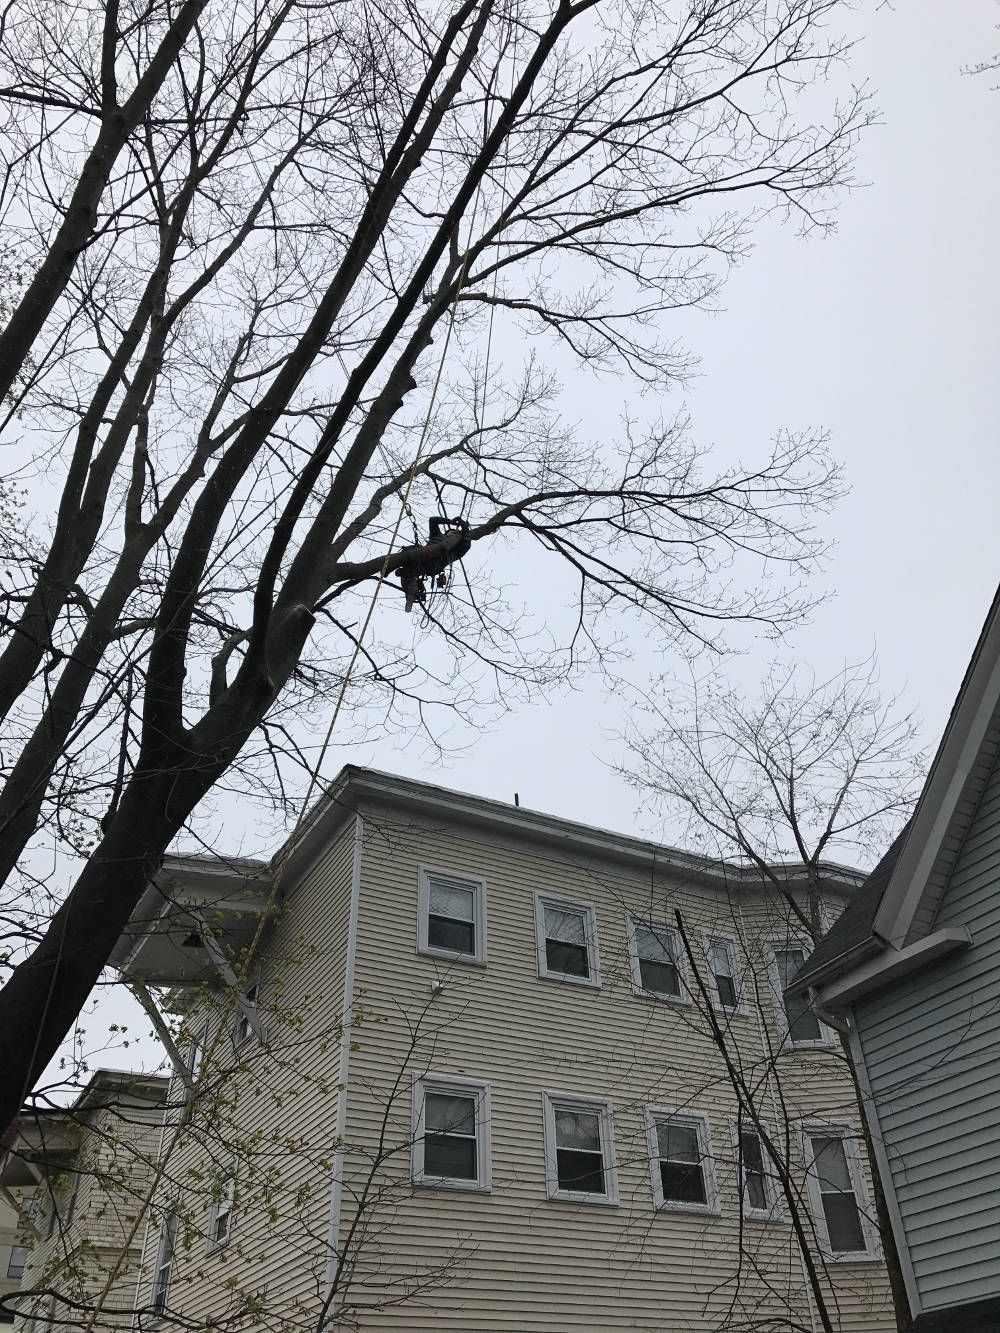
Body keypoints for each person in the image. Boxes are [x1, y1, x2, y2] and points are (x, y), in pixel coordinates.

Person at [397, 515, 472, 612]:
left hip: (435, 564)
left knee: (414, 569)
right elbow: (432, 520)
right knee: (407, 560)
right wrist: (450, 521)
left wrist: (464, 528)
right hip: (422, 555)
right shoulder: (436, 535)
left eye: (454, 533)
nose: (452, 534)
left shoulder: (457, 550)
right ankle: (411, 586)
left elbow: (466, 544)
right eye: (450, 532)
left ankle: (411, 583)